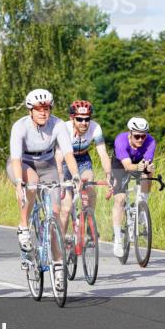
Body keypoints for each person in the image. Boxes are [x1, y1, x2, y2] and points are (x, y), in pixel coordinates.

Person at [8, 89, 81, 292]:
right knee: (30, 181)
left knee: (55, 216)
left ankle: (58, 266)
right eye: (39, 109)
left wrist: (75, 176)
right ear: (31, 110)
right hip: (24, 163)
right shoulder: (20, 127)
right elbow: (15, 158)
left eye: (47, 108)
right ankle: (24, 227)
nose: (43, 112)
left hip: (47, 164)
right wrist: (19, 184)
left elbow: (68, 154)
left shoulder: (57, 124)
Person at [53, 100, 113, 239]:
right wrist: (61, 177)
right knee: (66, 207)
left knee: (90, 183)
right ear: (72, 118)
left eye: (87, 119)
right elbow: (58, 157)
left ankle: (89, 222)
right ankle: (60, 240)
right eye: (79, 119)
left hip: (83, 160)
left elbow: (103, 154)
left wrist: (109, 175)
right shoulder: (64, 129)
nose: (84, 123)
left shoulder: (95, 128)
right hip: (64, 162)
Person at [110, 117, 157, 258]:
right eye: (137, 136)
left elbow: (147, 162)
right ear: (130, 134)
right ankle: (118, 239)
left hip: (138, 162)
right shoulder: (121, 141)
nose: (141, 139)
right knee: (120, 199)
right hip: (121, 164)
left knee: (149, 172)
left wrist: (148, 167)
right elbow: (128, 166)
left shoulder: (151, 141)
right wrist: (139, 167)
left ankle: (142, 204)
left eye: (143, 136)